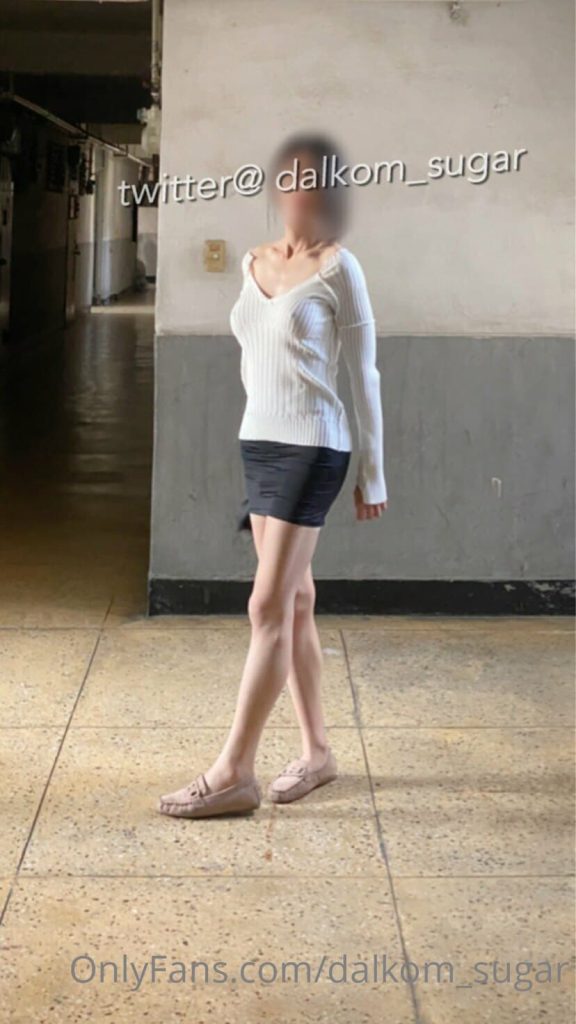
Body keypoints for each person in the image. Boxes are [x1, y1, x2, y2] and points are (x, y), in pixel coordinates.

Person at [159, 132, 388, 819]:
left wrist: (372, 471)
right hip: (259, 444)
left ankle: (234, 771)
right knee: (295, 602)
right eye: (288, 179)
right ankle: (318, 753)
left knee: (265, 607)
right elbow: (255, 355)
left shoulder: (340, 268)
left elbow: (364, 374)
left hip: (314, 447)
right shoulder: (254, 262)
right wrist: (253, 429)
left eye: (311, 180)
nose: (297, 191)